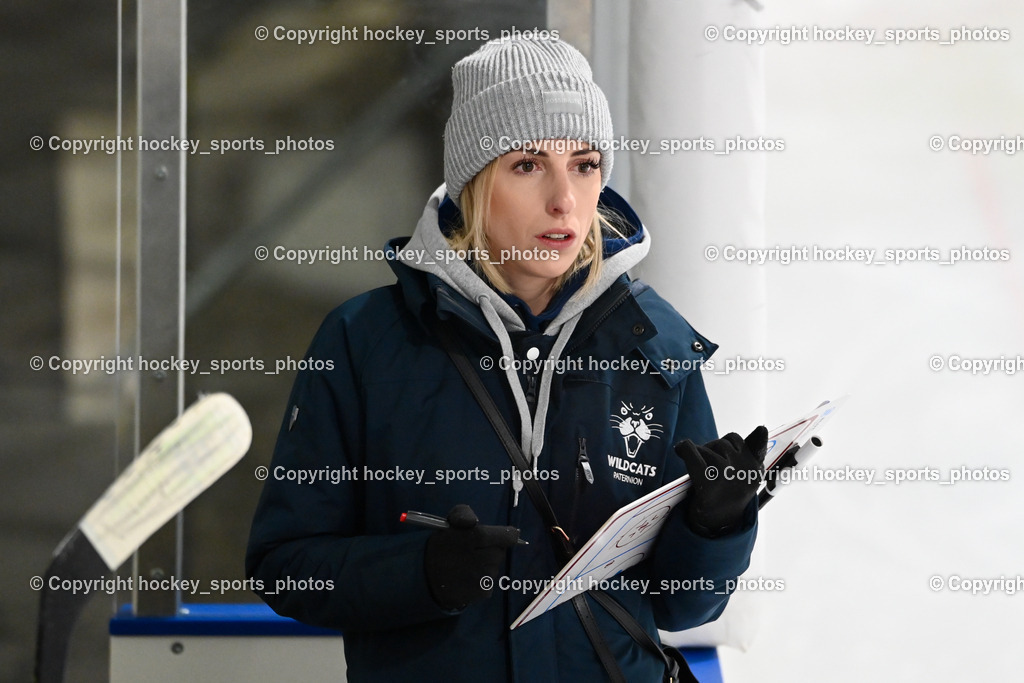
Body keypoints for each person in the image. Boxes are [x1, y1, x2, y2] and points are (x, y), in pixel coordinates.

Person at [246, 36, 767, 682]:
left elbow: (683, 604)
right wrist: (421, 572)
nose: (565, 200)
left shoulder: (654, 343)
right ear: (473, 182)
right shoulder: (364, 343)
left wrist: (716, 525)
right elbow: (285, 563)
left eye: (584, 163)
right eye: (528, 164)